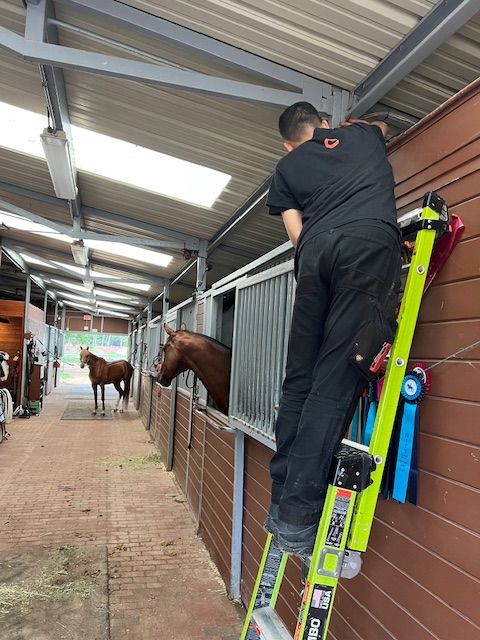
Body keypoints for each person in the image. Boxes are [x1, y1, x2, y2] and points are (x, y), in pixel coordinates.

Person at [265, 101, 401, 556]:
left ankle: (282, 503)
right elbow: (382, 124)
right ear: (324, 124)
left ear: (289, 142)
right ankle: (299, 521)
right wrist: (352, 128)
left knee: (300, 380)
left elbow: (296, 235)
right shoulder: (362, 137)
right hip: (365, 246)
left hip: (315, 255)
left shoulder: (286, 167)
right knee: (334, 379)